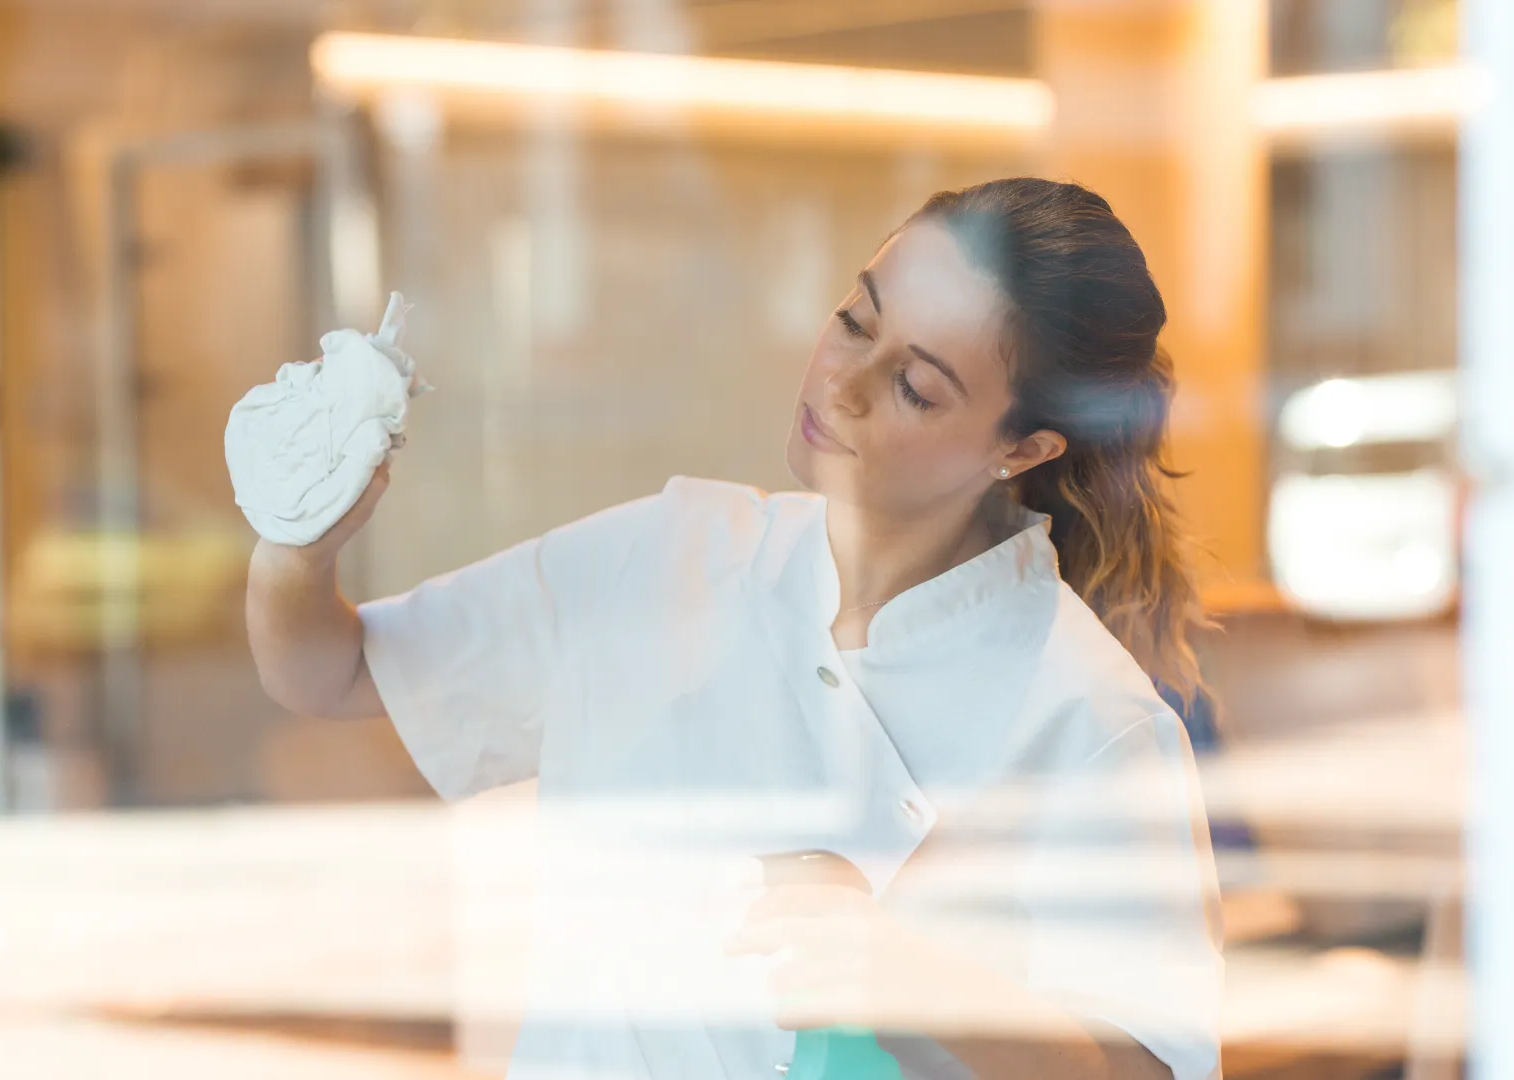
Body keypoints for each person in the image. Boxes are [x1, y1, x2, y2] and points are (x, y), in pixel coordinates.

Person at [247, 178, 1223, 1080]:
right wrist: (297, 541)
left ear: (1025, 446)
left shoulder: (1087, 716)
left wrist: (918, 980)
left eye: (916, 387)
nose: (842, 385)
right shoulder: (664, 556)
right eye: (853, 321)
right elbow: (331, 673)